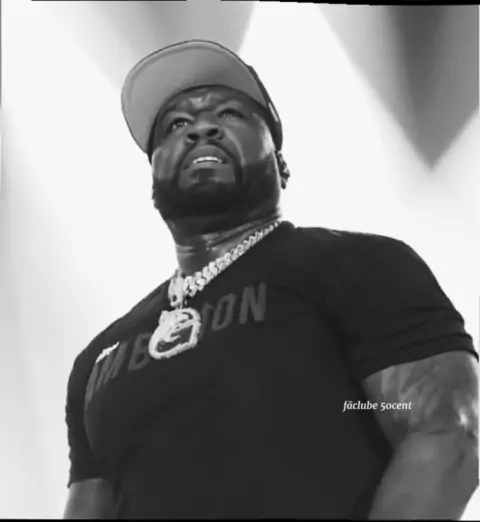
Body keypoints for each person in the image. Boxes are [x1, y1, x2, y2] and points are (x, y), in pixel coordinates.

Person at [63, 40, 478, 519]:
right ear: (153, 181)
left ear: (281, 164)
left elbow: (446, 431)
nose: (200, 127)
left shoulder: (359, 266)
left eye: (230, 113)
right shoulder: (98, 359)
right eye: (175, 125)